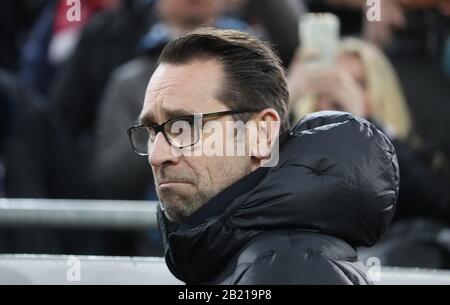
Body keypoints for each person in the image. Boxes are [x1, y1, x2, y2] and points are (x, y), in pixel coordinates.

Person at [127, 28, 399, 284]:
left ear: (261, 133)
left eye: (184, 127)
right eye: (152, 131)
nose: (157, 155)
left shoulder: (289, 268)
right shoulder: (261, 256)